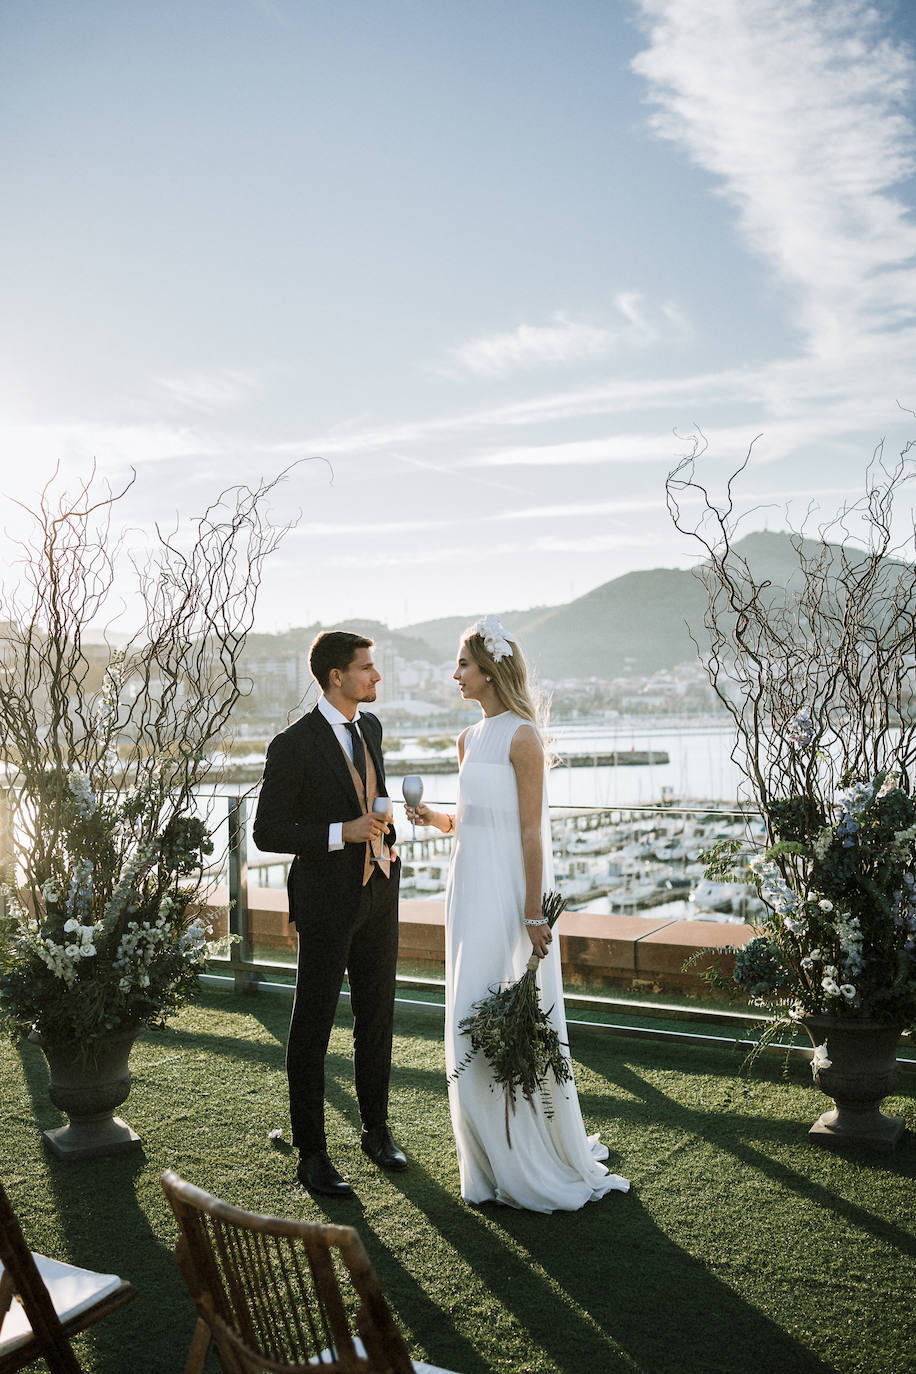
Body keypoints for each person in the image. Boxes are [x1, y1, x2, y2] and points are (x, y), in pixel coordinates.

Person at [406, 616, 629, 1212]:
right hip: (467, 888)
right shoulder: (467, 738)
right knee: (468, 1012)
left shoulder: (522, 737)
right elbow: (471, 819)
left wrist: (534, 914)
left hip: (508, 894)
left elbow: (531, 833)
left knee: (505, 1007)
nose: (455, 674)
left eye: (463, 664)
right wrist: (434, 818)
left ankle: (525, 1150)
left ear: (490, 669)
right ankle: (486, 1158)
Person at [253, 631, 405, 1198]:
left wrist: (386, 835)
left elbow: (372, 797)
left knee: (377, 1017)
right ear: (336, 676)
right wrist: (344, 832)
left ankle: (375, 1131)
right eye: (367, 668)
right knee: (312, 1027)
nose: (376, 676)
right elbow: (267, 832)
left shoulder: (372, 727)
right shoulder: (292, 744)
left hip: (379, 891)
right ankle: (312, 1154)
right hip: (324, 901)